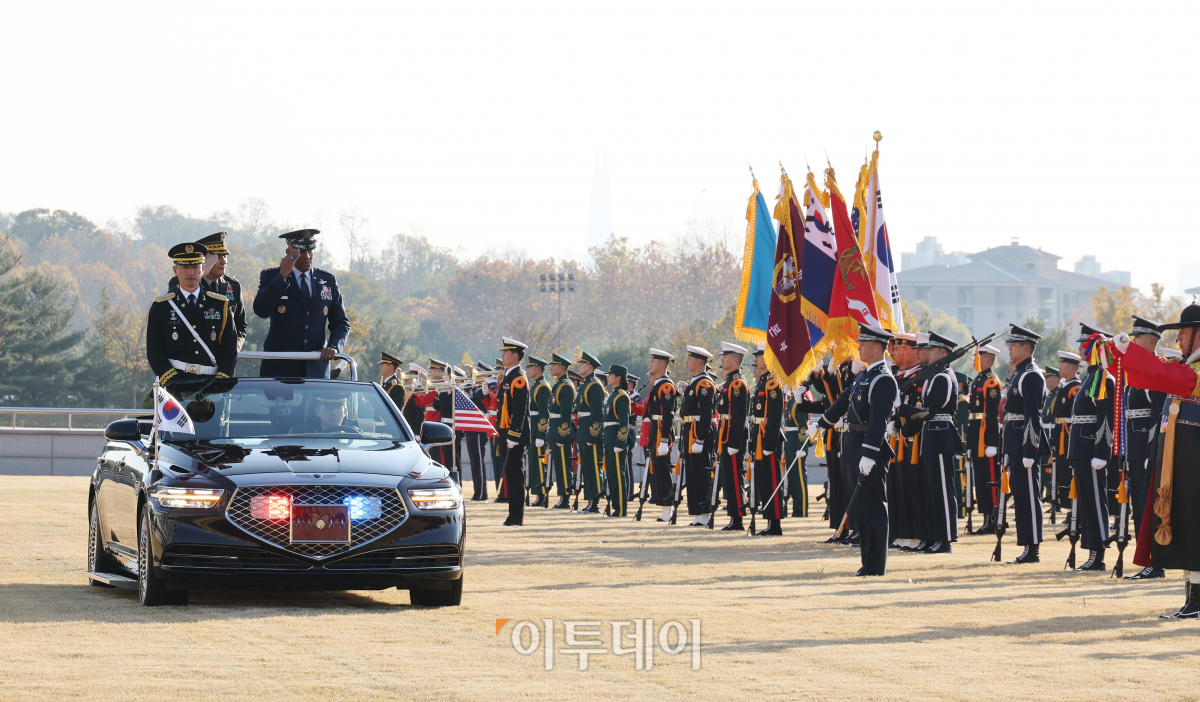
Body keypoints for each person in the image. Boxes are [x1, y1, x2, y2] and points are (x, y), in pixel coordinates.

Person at [1113, 303, 1200, 617]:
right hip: (1184, 453)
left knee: (1192, 522)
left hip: (1193, 455)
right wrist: (1125, 355)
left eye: (1184, 332)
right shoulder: (1190, 362)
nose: (1178, 338)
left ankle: (1196, 603)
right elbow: (1158, 375)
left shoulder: (1196, 367)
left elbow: (1169, 377)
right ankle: (1192, 600)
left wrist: (1131, 353)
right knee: (1185, 521)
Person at [808, 324, 898, 576]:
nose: (858, 347)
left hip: (866, 452)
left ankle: (875, 565)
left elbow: (879, 421)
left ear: (877, 347)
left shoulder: (882, 378)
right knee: (860, 511)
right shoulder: (864, 376)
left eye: (864, 344)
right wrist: (821, 424)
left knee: (873, 510)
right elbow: (841, 402)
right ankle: (866, 563)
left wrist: (869, 455)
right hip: (850, 448)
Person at [895, 331, 961, 554]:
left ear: (942, 352)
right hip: (931, 435)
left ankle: (944, 539)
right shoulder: (934, 375)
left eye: (931, 349)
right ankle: (930, 536)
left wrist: (901, 409)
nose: (925, 352)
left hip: (940, 434)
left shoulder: (943, 376)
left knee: (942, 490)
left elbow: (929, 411)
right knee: (930, 490)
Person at [253, 229, 350, 378]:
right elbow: (261, 310)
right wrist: (283, 276)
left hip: (315, 366)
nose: (307, 256)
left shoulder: (327, 280)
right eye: (301, 252)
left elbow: (341, 322)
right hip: (280, 367)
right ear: (288, 252)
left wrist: (334, 346)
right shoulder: (271, 276)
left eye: (310, 251)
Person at [146, 243, 238, 388]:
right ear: (175, 270)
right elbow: (154, 351)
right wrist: (172, 382)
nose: (190, 272)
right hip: (175, 385)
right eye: (185, 267)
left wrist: (220, 383)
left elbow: (230, 350)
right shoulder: (161, 307)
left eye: (195, 267)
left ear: (202, 269)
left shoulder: (220, 305)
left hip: (212, 384)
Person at [1123, 316, 1168, 581]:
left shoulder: (1153, 371)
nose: (1132, 342)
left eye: (1137, 338)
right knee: (1138, 506)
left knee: (1146, 505)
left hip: (1145, 451)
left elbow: (1158, 416)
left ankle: (1154, 562)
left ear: (1150, 340)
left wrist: (1151, 452)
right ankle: (1147, 561)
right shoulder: (1138, 371)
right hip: (1135, 449)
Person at [1070, 323, 1115, 571]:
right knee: (1087, 500)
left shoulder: (1103, 378)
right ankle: (1091, 551)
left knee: (1096, 500)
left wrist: (1101, 451)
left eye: (1085, 344)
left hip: (1092, 448)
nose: (1080, 348)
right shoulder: (1090, 375)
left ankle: (1098, 554)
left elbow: (1105, 417)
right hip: (1080, 445)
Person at [1002, 325, 1048, 564]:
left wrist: (1029, 448)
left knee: (1030, 497)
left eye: (1014, 344)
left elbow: (1033, 415)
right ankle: (1027, 546)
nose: (1009, 348)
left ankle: (1033, 550)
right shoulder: (1020, 373)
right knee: (1021, 497)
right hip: (1015, 441)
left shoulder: (1030, 374)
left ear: (1027, 348)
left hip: (1025, 444)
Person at [166, 232, 248, 351]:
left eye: (225, 256)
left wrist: (235, 347)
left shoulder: (233, 286)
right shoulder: (180, 281)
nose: (223, 261)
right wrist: (199, 276)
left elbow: (240, 324)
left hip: (225, 361)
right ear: (203, 260)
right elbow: (174, 300)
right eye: (217, 257)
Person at [966, 344, 1003, 534]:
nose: (975, 360)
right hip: (976, 435)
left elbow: (992, 414)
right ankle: (985, 516)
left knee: (989, 478)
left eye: (978, 357)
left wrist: (993, 443)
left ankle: (992, 517)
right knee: (980, 479)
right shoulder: (977, 381)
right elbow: (974, 414)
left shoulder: (991, 382)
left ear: (988, 359)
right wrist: (970, 442)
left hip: (986, 438)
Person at [749, 346, 786, 535]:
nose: (756, 358)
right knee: (764, 481)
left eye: (760, 356)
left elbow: (774, 416)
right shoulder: (763, 382)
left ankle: (775, 524)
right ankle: (770, 521)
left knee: (772, 481)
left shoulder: (773, 383)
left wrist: (769, 445)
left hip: (768, 439)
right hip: (759, 437)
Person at [679, 346, 717, 526]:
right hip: (690, 430)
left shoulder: (704, 383)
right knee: (692, 473)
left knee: (701, 473)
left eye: (690, 359)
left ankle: (704, 513)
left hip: (697, 432)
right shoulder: (695, 382)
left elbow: (707, 414)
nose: (687, 362)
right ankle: (696, 513)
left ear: (700, 362)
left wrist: (701, 438)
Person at [713, 343, 750, 529]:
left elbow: (739, 415)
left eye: (725, 357)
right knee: (729, 476)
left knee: (735, 477)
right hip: (725, 433)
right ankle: (733, 516)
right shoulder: (729, 382)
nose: (722, 360)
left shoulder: (737, 383)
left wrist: (735, 441)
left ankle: (738, 518)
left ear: (735, 360)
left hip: (732, 436)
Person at [497, 338, 531, 526]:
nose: (502, 355)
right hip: (506, 433)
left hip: (513, 436)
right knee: (511, 476)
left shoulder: (518, 378)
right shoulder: (509, 376)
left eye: (506, 352)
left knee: (515, 477)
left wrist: (513, 436)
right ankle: (512, 516)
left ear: (515, 356)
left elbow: (519, 411)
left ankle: (516, 517)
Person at [644, 349, 679, 522]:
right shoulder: (658, 384)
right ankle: (664, 509)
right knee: (657, 469)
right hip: (655, 428)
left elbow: (668, 415)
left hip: (661, 431)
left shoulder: (666, 386)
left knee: (663, 470)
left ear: (663, 364)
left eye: (654, 361)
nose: (650, 364)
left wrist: (665, 438)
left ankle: (667, 509)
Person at [573, 351, 606, 514]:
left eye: (582, 364)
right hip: (582, 428)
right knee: (586, 467)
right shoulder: (585, 384)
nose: (579, 366)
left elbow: (597, 414)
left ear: (590, 367)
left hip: (589, 430)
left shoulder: (594, 385)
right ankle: (590, 501)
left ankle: (595, 502)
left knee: (593, 467)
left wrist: (593, 434)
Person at [1051, 351, 1082, 512]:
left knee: (1067, 470)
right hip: (1059, 433)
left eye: (1062, 365)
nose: (1059, 368)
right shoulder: (1065, 386)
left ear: (1071, 367)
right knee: (1061, 470)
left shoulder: (1075, 387)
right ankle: (1064, 503)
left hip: (1067, 434)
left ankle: (1071, 506)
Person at [547, 354, 576, 509]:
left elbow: (566, 414)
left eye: (554, 365)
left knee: (564, 465)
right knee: (559, 465)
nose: (551, 367)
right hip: (555, 428)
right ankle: (561, 496)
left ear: (562, 368)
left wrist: (562, 434)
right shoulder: (558, 384)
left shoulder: (565, 386)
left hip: (561, 430)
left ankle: (565, 498)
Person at [603, 364, 632, 517]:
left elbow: (624, 423)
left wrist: (620, 442)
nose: (608, 377)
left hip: (616, 439)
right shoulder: (613, 395)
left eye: (611, 374)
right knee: (612, 475)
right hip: (608, 437)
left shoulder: (621, 396)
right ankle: (615, 506)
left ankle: (621, 508)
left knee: (618, 475)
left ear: (618, 377)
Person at [526, 356, 553, 507]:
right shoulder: (536, 385)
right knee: (534, 464)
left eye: (531, 367)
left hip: (538, 432)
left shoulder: (542, 387)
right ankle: (538, 494)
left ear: (538, 369)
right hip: (532, 431)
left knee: (540, 464)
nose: (529, 370)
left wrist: (541, 434)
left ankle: (542, 494)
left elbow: (544, 412)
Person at [291, 394, 358, 434]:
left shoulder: (355, 434)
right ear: (318, 412)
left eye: (338, 408)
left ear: (345, 412)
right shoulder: (302, 435)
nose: (334, 413)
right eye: (328, 408)